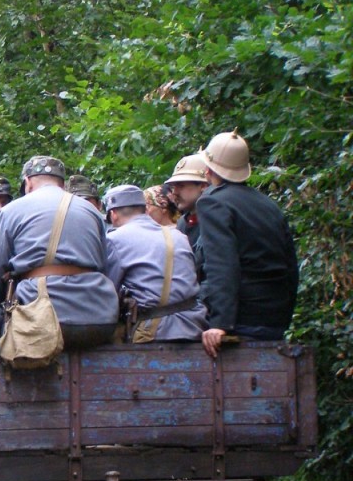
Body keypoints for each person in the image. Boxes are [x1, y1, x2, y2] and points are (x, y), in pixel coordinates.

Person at [0, 155, 119, 348]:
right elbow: (103, 265)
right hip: (98, 317)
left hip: (38, 318)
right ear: (62, 183)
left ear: (28, 182)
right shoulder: (91, 211)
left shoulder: (11, 210)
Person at [195, 130, 299, 357]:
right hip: (275, 318)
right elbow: (291, 267)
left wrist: (220, 323)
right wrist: (282, 319)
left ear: (209, 170)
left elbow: (222, 264)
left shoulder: (213, 202)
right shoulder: (268, 205)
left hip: (242, 318)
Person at [104, 185, 207, 342]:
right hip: (195, 324)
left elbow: (109, 292)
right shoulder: (178, 235)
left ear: (113, 214)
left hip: (155, 331)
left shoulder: (116, 239)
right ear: (144, 209)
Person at [164, 153, 209, 252]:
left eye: (181, 185)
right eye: (173, 186)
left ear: (203, 186)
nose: (174, 192)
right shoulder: (182, 223)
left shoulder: (216, 221)